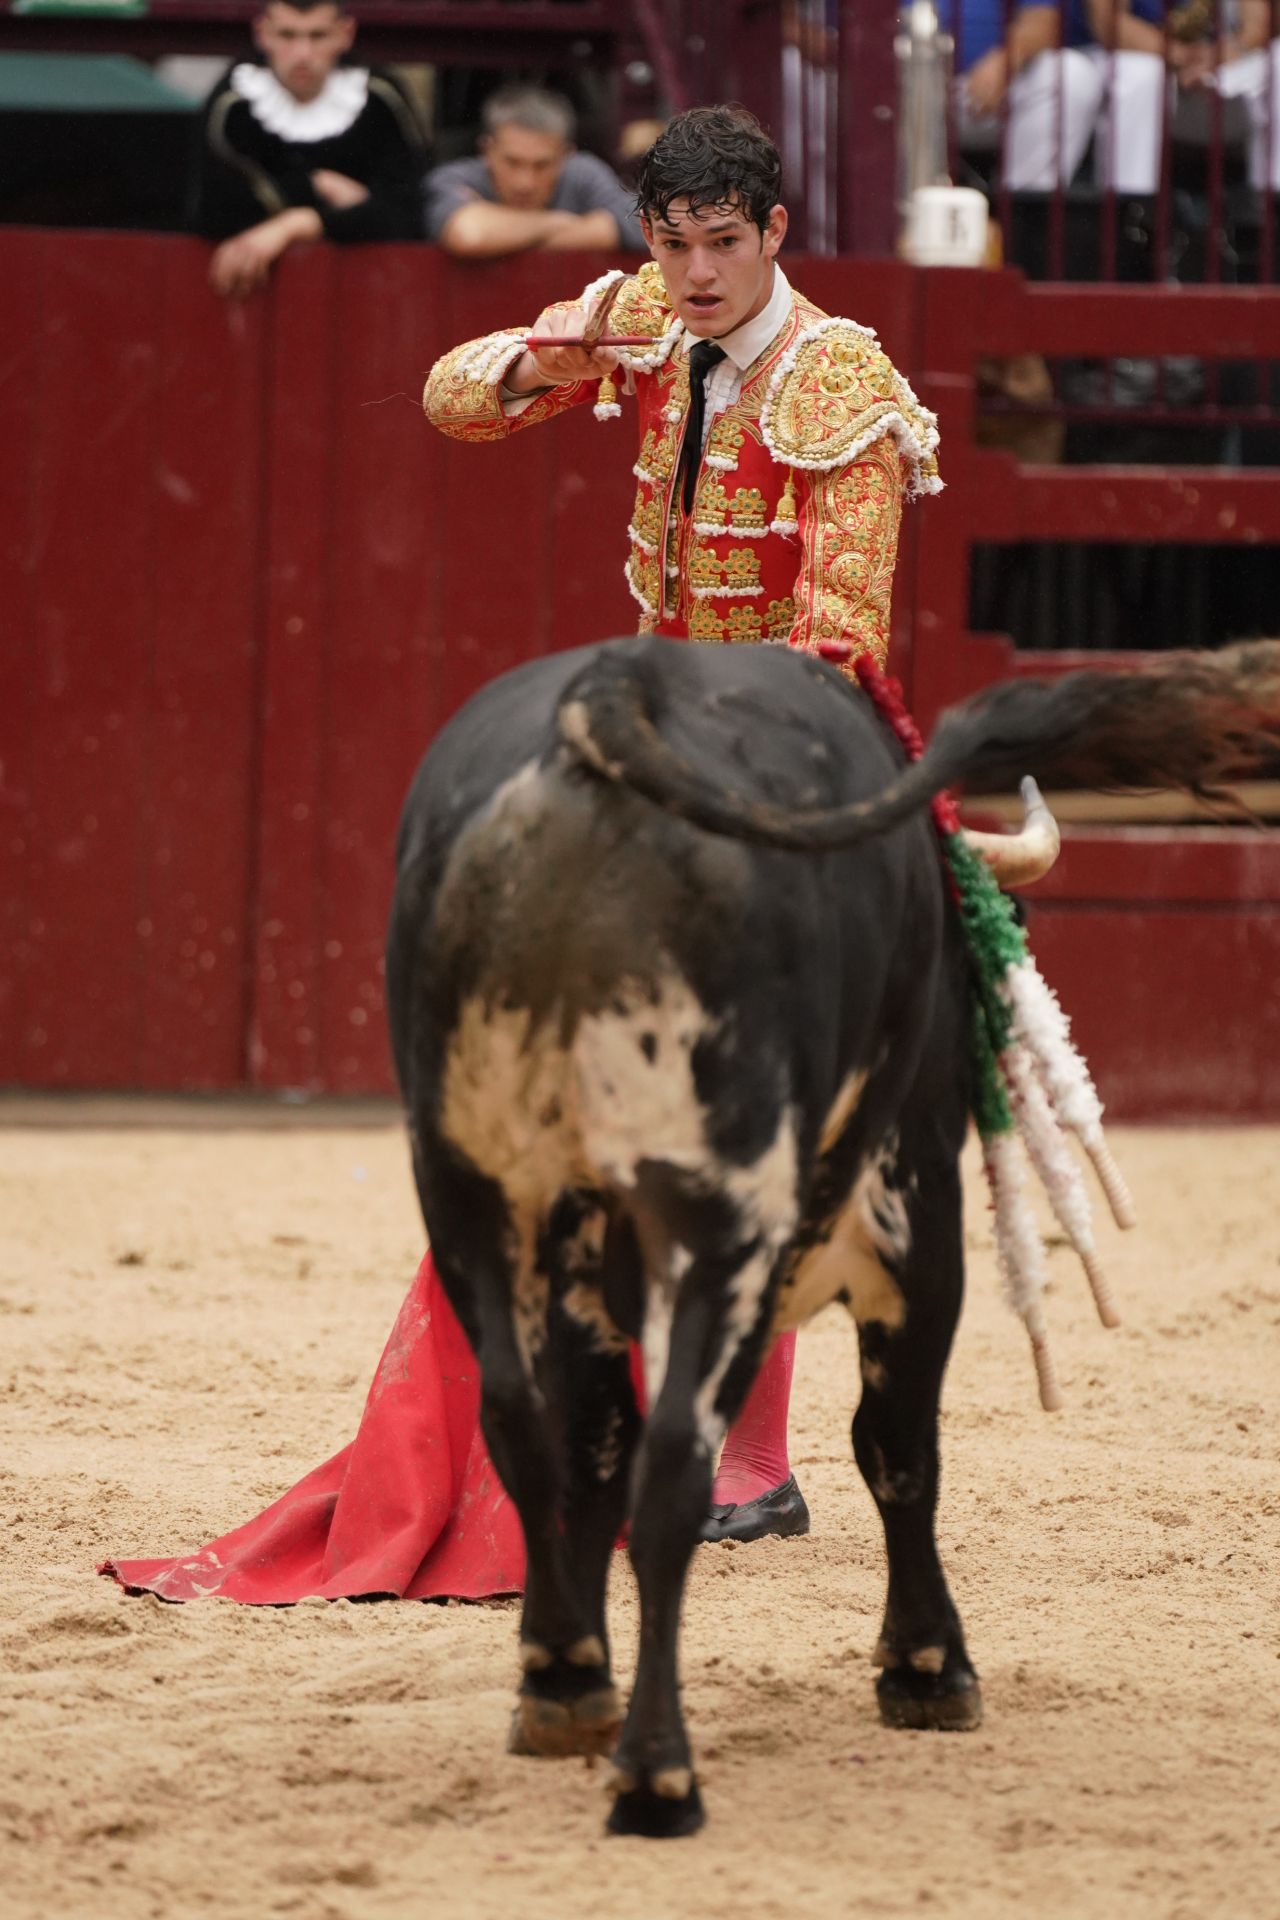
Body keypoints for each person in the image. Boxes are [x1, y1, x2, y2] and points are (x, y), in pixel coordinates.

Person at [101, 106, 939, 1610]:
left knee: (779, 1111)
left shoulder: (842, 383)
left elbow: (838, 638)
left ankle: (756, 1461)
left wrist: (746, 796)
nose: (694, 274)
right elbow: (450, 400)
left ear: (774, 234)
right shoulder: (645, 316)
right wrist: (555, 355)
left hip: (784, 761)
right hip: (654, 730)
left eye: (722, 245)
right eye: (671, 245)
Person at [192, 0, 427, 299]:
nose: (302, 54)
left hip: (370, 292)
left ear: (345, 34)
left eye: (318, 36)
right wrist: (320, 187)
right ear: (262, 34)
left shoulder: (380, 102)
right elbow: (213, 212)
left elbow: (408, 215)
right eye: (287, 35)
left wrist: (299, 223)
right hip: (254, 296)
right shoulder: (233, 106)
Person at [952, 0, 1163, 194]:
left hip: (990, 89)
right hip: (935, 87)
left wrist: (1007, 59)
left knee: (1070, 74)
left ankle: (1024, 211)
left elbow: (1043, 19)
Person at [423, 84, 646, 258]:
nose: (525, 183)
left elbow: (641, 226)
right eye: (512, 162)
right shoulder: (454, 177)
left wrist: (502, 234)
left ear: (566, 155)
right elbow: (470, 235)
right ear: (487, 150)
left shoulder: (584, 173)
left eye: (542, 165)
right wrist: (559, 222)